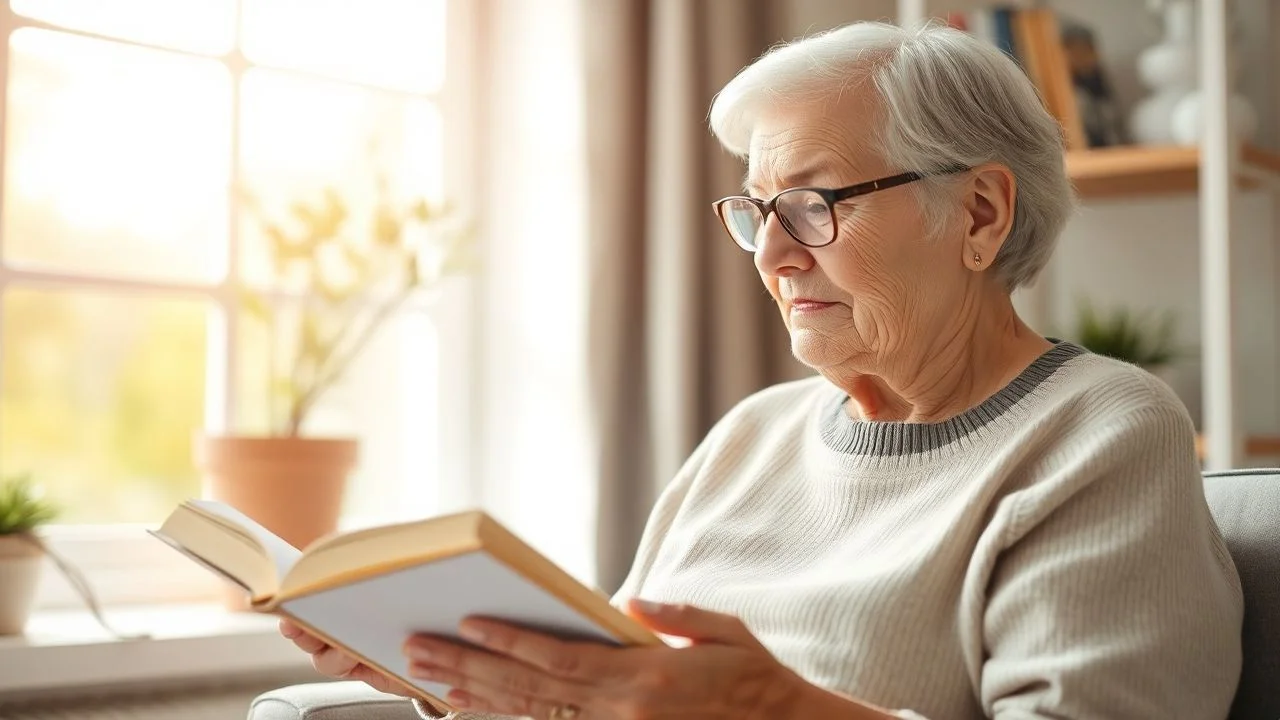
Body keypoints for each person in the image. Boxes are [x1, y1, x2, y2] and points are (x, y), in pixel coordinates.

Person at [280, 20, 1243, 720]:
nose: (772, 256)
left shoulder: (1100, 432)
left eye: (816, 203)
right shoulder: (754, 434)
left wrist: (768, 707)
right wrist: (458, 675)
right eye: (755, 210)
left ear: (981, 216)